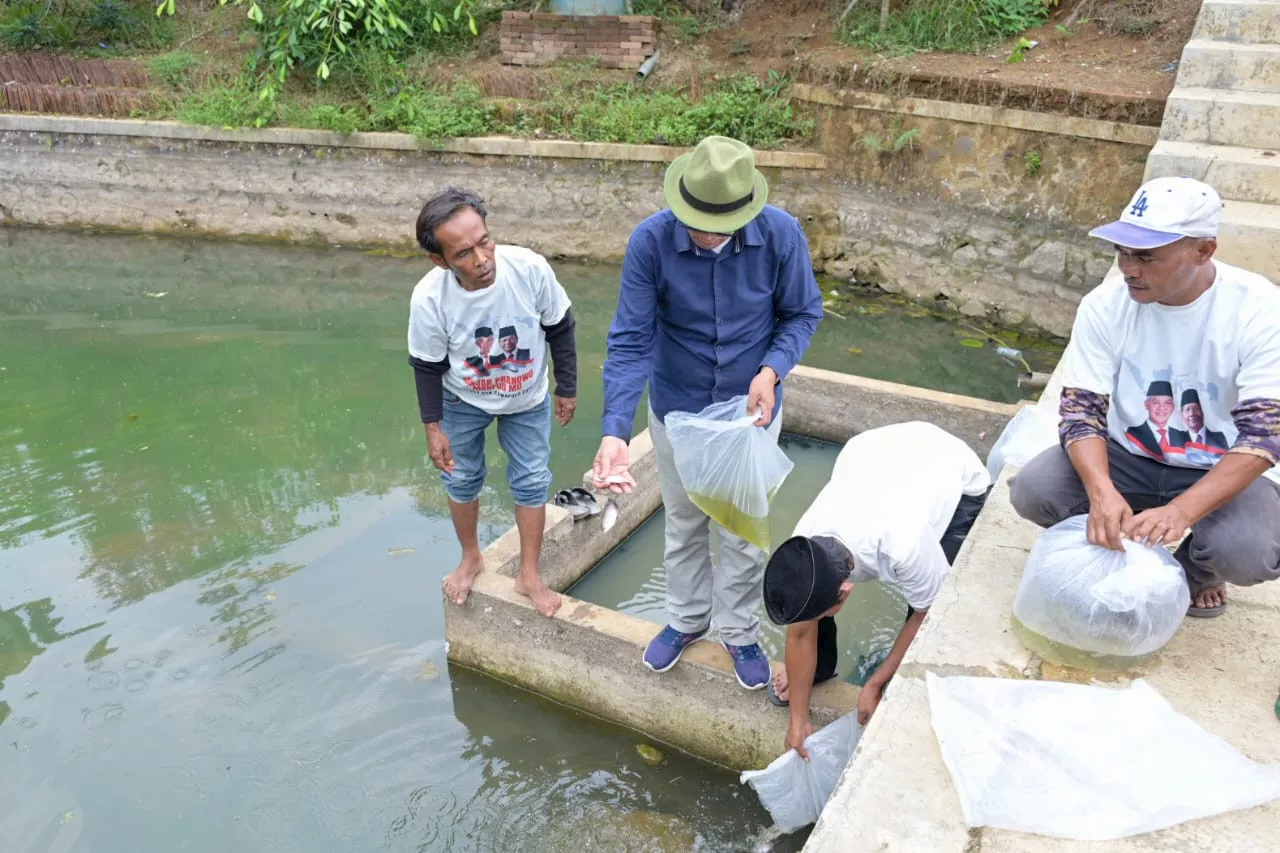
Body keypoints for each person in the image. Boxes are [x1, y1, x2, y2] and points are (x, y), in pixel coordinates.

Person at [591, 135, 824, 690]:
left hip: (750, 415)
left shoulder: (781, 234)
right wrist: (615, 431)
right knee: (686, 524)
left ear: (746, 211)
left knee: (742, 533)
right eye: (695, 222)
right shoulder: (650, 243)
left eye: (719, 226)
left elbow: (802, 314)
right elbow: (629, 340)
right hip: (679, 409)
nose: (706, 234)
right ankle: (687, 619)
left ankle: (738, 630)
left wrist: (770, 371)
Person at [1010, 176, 1280, 618]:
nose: (1128, 268)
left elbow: (1264, 438)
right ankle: (1121, 531)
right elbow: (1080, 413)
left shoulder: (1261, 312)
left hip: (1217, 464)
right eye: (1122, 251)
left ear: (1203, 251)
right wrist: (1101, 493)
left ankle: (1198, 569)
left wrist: (1181, 511)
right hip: (1128, 455)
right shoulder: (1106, 305)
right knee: (1034, 490)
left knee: (1247, 552)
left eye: (1146, 256)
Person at [760, 422, 991, 757]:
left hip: (952, 470)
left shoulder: (904, 544)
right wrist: (798, 719)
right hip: (874, 451)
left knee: (934, 601)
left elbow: (928, 614)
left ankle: (893, 676)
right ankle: (817, 672)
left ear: (847, 593)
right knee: (810, 608)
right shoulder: (806, 544)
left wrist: (876, 681)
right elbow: (799, 633)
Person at [408, 187, 579, 618]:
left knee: (532, 479)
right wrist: (434, 428)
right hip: (463, 398)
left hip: (526, 396)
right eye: (463, 253)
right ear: (440, 260)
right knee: (461, 478)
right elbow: (426, 365)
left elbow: (560, 326)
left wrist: (567, 386)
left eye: (484, 241)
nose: (482, 259)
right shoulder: (430, 298)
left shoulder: (529, 269)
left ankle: (530, 574)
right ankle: (471, 557)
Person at [1124, 380, 1185, 458]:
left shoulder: (1182, 436)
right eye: (1156, 402)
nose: (1162, 408)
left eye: (1167, 403)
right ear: (1146, 405)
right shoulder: (1133, 433)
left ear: (1173, 407)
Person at [1178, 389, 1228, 453]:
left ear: (1203, 411)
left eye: (1196, 408)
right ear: (1182, 415)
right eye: (1187, 409)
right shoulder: (1178, 440)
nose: (1192, 414)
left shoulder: (1219, 437)